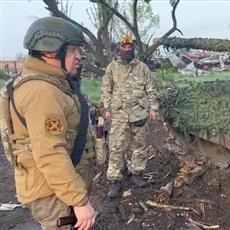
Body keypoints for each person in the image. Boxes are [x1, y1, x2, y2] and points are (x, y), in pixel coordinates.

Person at [3, 17, 96, 229]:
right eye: (73, 50)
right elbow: (50, 153)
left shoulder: (53, 84)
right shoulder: (42, 92)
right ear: (51, 51)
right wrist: (79, 201)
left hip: (57, 189)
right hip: (54, 195)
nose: (79, 56)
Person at [101, 36, 158, 199]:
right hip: (119, 114)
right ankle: (115, 180)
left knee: (140, 145)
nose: (127, 49)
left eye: (130, 47)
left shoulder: (142, 68)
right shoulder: (112, 67)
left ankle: (137, 174)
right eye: (124, 47)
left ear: (133, 49)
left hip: (139, 113)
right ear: (119, 49)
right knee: (116, 147)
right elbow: (106, 88)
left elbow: (150, 89)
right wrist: (107, 108)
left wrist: (153, 108)